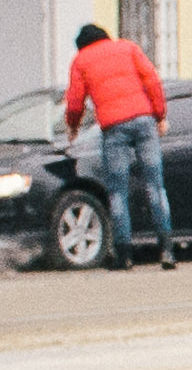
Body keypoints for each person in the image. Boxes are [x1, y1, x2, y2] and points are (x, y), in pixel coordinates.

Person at [59, 19, 175, 268]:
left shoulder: (81, 61)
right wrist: (160, 115)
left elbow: (76, 100)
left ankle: (124, 256)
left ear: (82, 45)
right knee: (156, 187)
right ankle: (167, 251)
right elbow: (152, 81)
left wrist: (73, 127)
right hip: (145, 122)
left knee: (117, 192)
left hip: (114, 128)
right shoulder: (128, 48)